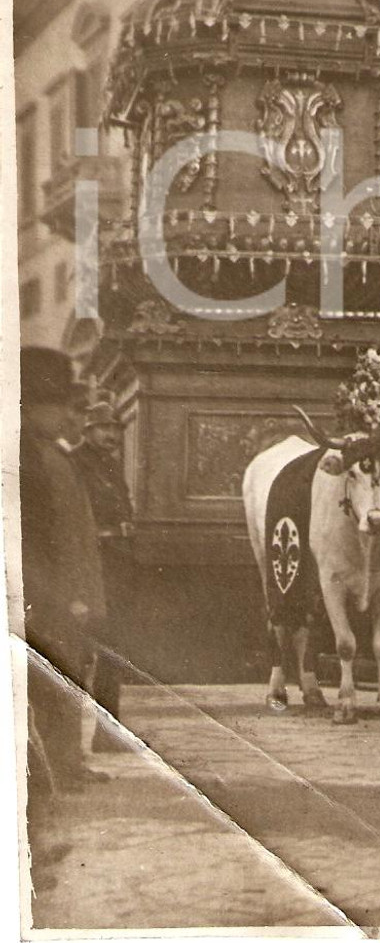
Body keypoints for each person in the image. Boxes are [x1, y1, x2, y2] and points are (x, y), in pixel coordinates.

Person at [20, 347, 109, 890]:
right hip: (44, 603)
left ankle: (60, 778)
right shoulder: (29, 460)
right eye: (55, 405)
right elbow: (38, 543)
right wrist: (62, 598)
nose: (64, 416)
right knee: (44, 698)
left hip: (59, 601)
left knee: (59, 691)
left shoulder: (50, 455)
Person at [74, 401, 133, 752]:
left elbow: (124, 508)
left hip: (114, 566)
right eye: (103, 428)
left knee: (112, 647)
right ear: (88, 430)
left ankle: (107, 732)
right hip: (88, 565)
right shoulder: (77, 463)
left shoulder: (111, 465)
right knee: (83, 651)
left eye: (114, 428)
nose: (111, 434)